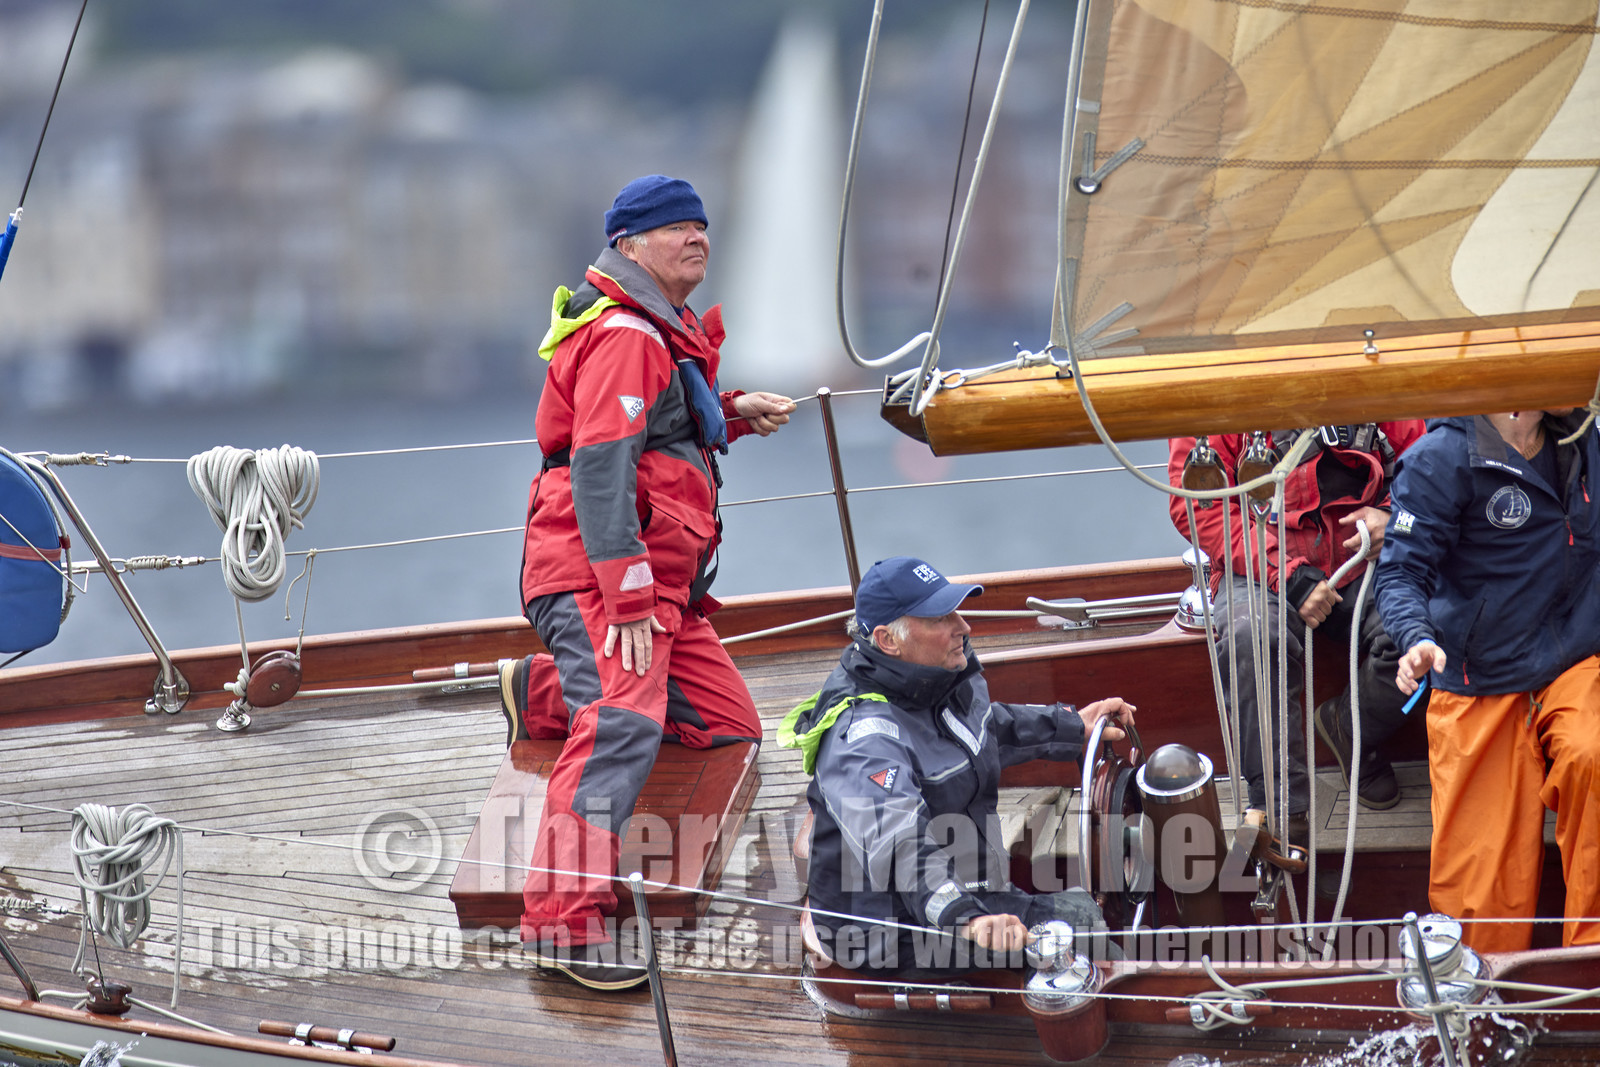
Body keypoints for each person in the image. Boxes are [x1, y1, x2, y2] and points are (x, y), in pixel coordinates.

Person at [502, 174, 794, 990]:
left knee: (729, 725)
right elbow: (600, 468)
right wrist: (626, 595)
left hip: (663, 586)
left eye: (701, 225)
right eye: (674, 228)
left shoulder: (655, 329)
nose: (697, 237)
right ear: (628, 246)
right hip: (603, 578)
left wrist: (730, 412)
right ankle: (560, 923)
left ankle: (547, 690)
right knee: (625, 724)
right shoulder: (629, 333)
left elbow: (659, 423)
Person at [780, 556, 1135, 976]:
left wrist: (1075, 725)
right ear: (888, 640)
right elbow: (900, 846)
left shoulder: (932, 682)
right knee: (1086, 931)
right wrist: (968, 918)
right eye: (940, 618)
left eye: (956, 610)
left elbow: (984, 730)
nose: (963, 627)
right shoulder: (863, 741)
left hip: (961, 890)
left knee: (1084, 915)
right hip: (892, 929)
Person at [1377, 409, 1600, 953]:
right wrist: (1416, 639)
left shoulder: (1585, 437)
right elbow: (1401, 571)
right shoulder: (1439, 460)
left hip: (1576, 653)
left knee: (1594, 756)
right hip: (1481, 674)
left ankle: (1589, 966)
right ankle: (1479, 1006)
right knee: (1479, 888)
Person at [1167, 423, 1425, 839]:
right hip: (1254, 559)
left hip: (1360, 552)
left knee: (1422, 630)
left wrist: (1396, 520)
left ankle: (1352, 729)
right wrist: (1285, 574)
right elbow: (1198, 508)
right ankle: (1284, 816)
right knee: (1250, 640)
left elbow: (1431, 467)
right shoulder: (1215, 390)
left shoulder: (1373, 367)